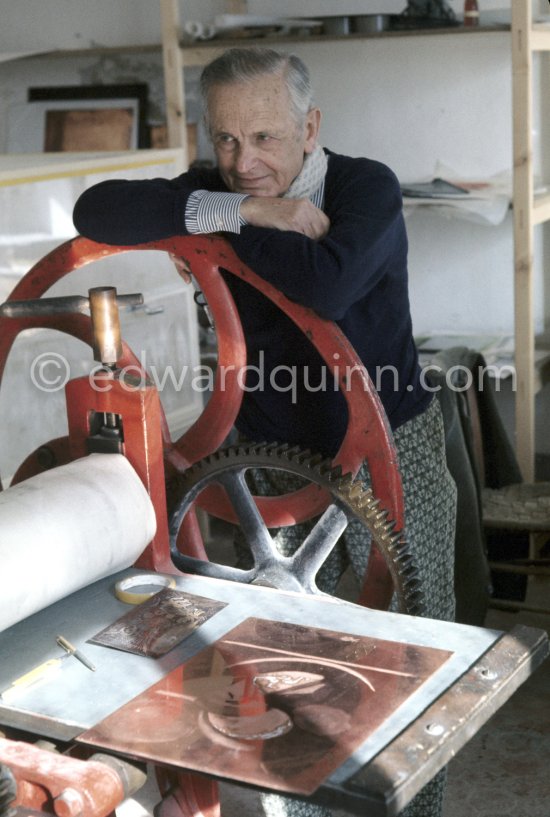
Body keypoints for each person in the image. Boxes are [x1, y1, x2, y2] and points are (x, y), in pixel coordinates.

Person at [73, 47, 456, 817]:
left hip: (394, 442)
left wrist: (214, 228)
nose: (242, 162)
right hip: (272, 460)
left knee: (415, 654)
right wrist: (250, 211)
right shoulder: (225, 192)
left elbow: (325, 282)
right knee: (298, 669)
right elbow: (96, 212)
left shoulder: (365, 188)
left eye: (265, 140)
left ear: (309, 127)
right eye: (224, 141)